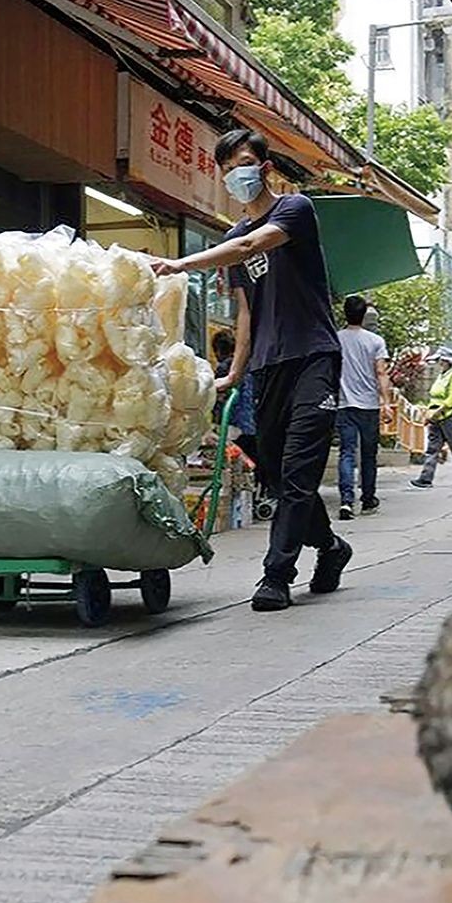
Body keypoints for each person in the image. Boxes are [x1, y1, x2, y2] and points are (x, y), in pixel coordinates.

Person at [150, 129, 350, 613]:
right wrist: (234, 374)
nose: (236, 173)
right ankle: (331, 548)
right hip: (268, 366)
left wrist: (179, 264)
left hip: (313, 357)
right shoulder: (231, 235)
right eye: (227, 168)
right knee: (281, 478)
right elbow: (246, 313)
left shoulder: (294, 210)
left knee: (299, 472)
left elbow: (253, 247)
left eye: (244, 162)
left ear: (264, 167)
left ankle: (276, 576)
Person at [336, 294, 392, 520]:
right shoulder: (375, 341)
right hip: (368, 405)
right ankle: (368, 499)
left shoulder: (335, 339)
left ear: (345, 313)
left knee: (346, 452)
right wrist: (386, 403)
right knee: (369, 454)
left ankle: (346, 501)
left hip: (343, 403)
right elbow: (381, 372)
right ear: (364, 315)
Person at [411, 346, 452, 490]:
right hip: (435, 417)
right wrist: (429, 414)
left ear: (446, 361)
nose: (438, 363)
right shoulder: (441, 376)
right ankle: (425, 478)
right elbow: (434, 397)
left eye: (440, 360)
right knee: (432, 449)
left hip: (449, 416)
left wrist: (437, 412)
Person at [211, 330, 259, 475]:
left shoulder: (226, 368)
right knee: (255, 464)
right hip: (254, 424)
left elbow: (218, 398)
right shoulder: (251, 365)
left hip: (234, 425)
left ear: (218, 350)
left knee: (236, 465)